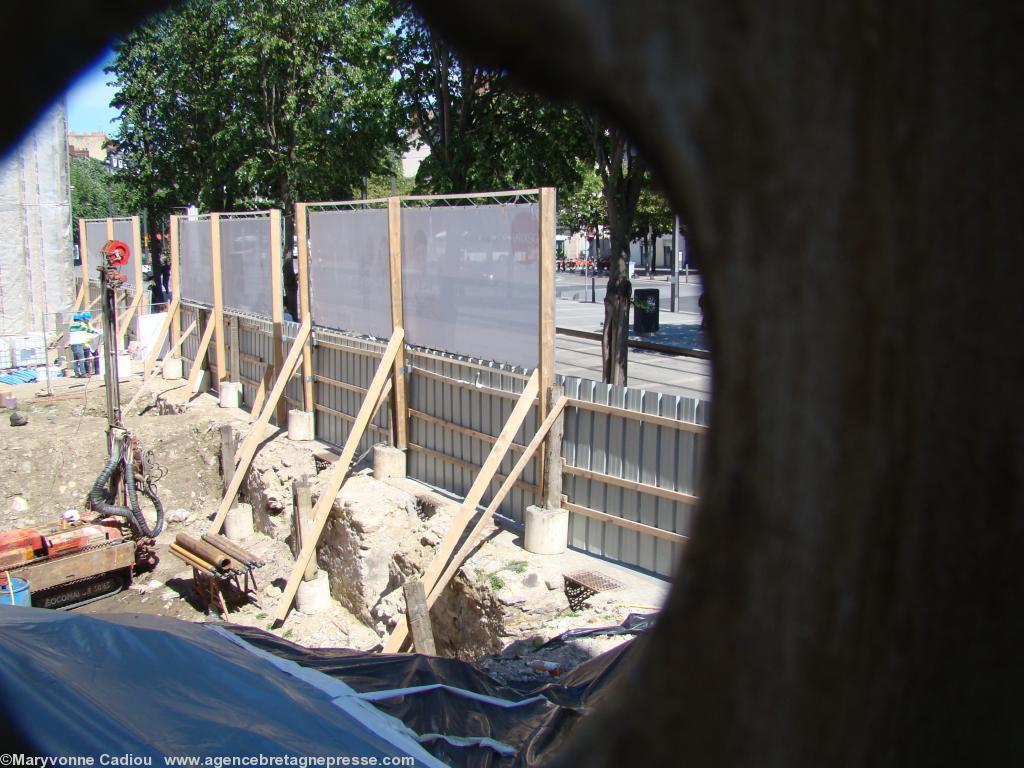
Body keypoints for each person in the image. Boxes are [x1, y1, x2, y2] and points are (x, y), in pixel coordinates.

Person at [67, 312, 90, 377]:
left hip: (73, 345)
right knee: (82, 359)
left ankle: (76, 373)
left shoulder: (71, 326)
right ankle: (83, 373)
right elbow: (87, 330)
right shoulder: (79, 326)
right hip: (78, 344)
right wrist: (96, 332)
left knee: (76, 359)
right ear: (80, 319)